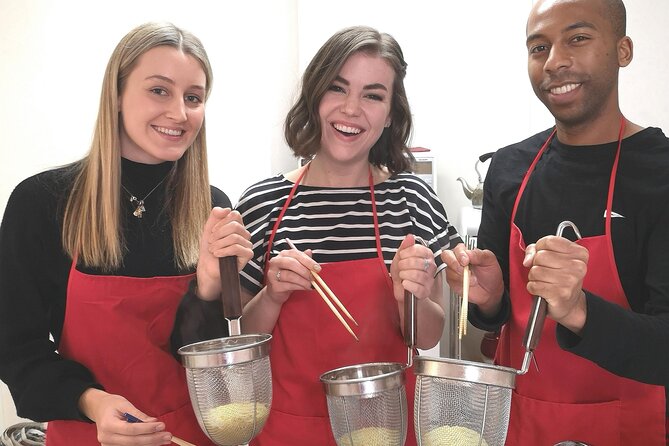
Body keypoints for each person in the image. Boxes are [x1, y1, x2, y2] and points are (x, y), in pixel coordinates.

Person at [0, 22, 252, 446]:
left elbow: (217, 361)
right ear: (116, 95)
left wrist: (209, 289)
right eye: (159, 90)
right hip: (88, 432)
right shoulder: (43, 202)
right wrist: (91, 402)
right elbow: (15, 346)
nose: (179, 112)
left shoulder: (212, 208)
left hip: (194, 434)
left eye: (193, 97)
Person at [442, 0, 669, 444]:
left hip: (627, 426)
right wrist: (487, 299)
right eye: (538, 47)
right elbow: (494, 320)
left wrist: (579, 310)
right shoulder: (508, 169)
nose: (554, 62)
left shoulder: (660, 173)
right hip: (523, 421)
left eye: (578, 39)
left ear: (623, 50)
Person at [231, 25, 460, 446]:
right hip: (290, 429)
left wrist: (409, 295)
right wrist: (273, 295)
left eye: (373, 95)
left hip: (385, 429)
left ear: (391, 113)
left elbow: (428, 336)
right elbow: (243, 341)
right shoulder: (262, 203)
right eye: (338, 89)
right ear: (316, 96)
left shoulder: (413, 199)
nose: (352, 109)